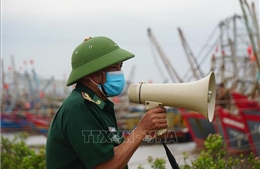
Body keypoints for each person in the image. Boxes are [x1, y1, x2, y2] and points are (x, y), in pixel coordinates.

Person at [46, 36, 168, 169]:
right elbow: (105, 166)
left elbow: (114, 155)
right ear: (90, 73)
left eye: (120, 67)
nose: (119, 73)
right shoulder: (79, 107)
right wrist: (142, 129)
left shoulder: (99, 106)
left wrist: (145, 130)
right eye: (113, 68)